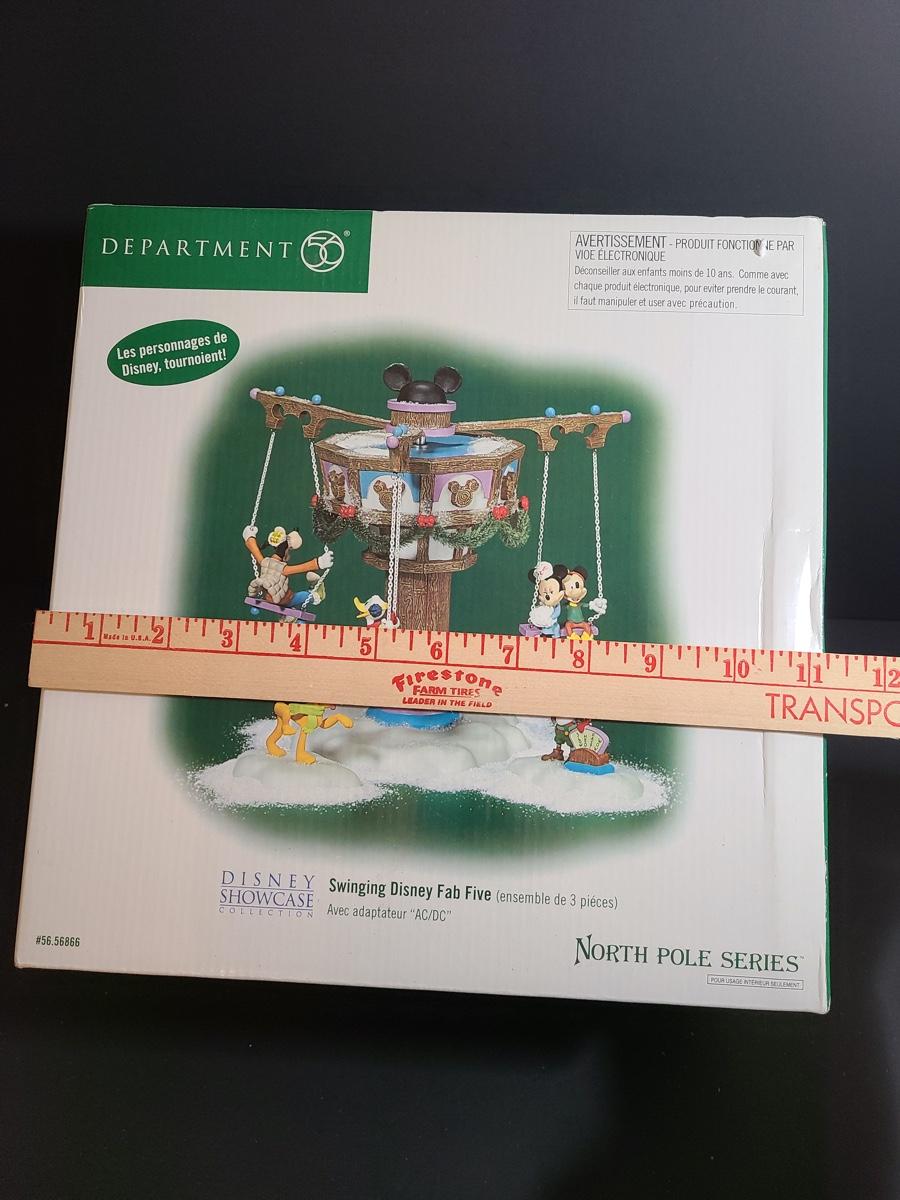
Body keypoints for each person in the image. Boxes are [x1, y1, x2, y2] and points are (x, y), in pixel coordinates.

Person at [243, 524, 333, 609]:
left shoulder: (264, 562)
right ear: (285, 552)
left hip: (268, 597)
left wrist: (249, 537)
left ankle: (287, 615)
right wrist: (320, 562)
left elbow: (254, 550)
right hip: (284, 600)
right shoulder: (283, 569)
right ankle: (318, 595)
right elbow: (302, 567)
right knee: (303, 596)